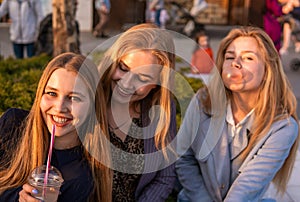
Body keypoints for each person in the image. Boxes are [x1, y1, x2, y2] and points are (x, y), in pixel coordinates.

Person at [176, 26, 299, 201]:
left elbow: (246, 187)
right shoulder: (203, 101)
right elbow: (183, 158)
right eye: (229, 57)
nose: (235, 63)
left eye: (248, 57)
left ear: (267, 70)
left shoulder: (283, 127)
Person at [0, 52, 112, 201]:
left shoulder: (83, 175)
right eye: (52, 93)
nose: (59, 108)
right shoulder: (13, 124)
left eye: (74, 98)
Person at [98, 23, 177, 201]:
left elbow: (164, 178)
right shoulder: (88, 98)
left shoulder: (163, 111)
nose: (126, 83)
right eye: (123, 68)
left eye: (142, 78)